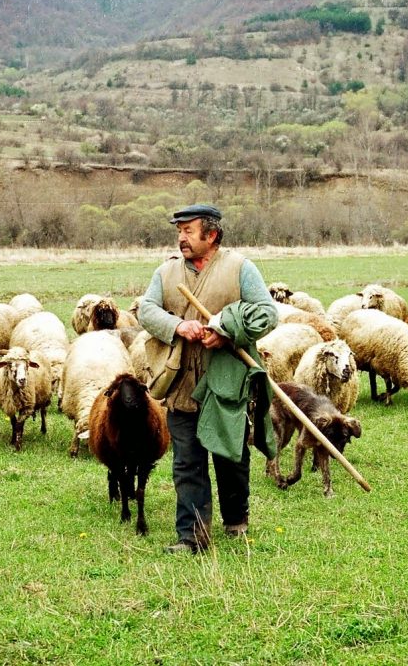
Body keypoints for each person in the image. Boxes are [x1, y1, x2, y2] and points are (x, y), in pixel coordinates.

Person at [137, 203, 278, 554]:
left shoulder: (239, 268)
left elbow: (266, 312)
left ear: (211, 234)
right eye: (179, 231)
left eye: (188, 230)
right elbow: (147, 309)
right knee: (187, 463)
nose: (181, 237)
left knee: (230, 456)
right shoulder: (166, 273)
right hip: (182, 384)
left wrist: (228, 331)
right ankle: (192, 536)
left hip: (226, 382)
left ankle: (236, 521)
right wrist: (176, 325)